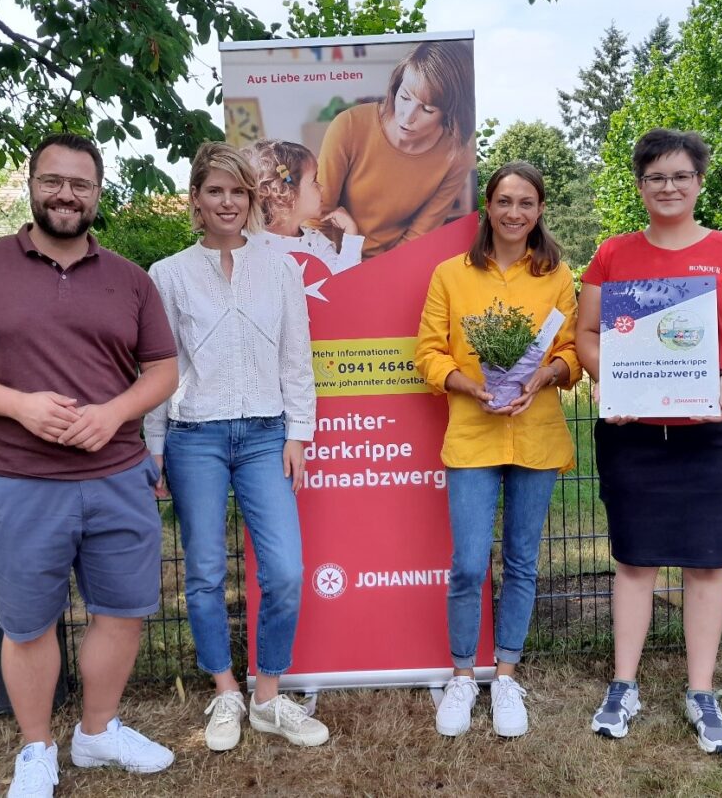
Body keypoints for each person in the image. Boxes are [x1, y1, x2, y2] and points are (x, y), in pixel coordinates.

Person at [0, 133, 180, 797]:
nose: (66, 194)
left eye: (81, 184)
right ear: (33, 184)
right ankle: (37, 749)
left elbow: (164, 370)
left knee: (121, 613)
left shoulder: (130, 279)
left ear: (98, 193)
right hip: (15, 480)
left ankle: (97, 732)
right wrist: (20, 406)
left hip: (118, 477)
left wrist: (115, 412)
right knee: (27, 624)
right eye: (53, 180)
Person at [576, 128, 722, 754]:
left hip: (718, 433)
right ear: (640, 186)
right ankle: (623, 684)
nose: (669, 187)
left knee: (706, 564)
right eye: (656, 177)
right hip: (634, 434)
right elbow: (588, 333)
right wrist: (606, 379)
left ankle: (701, 692)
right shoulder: (612, 255)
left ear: (698, 182)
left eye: (680, 176)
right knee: (635, 561)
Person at [144, 142, 328, 751]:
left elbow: (296, 357)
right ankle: (225, 690)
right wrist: (156, 444)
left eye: (238, 192)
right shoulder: (167, 274)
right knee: (202, 571)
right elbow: (159, 367)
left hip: (266, 435)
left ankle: (268, 697)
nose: (227, 202)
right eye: (215, 191)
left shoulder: (280, 269)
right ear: (196, 200)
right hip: (194, 435)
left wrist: (299, 432)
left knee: (284, 570)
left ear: (251, 200)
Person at [415, 161, 581, 738]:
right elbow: (429, 353)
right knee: (467, 564)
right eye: (505, 201)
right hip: (472, 433)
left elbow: (572, 352)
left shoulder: (556, 276)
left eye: (527, 203)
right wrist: (468, 385)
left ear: (539, 211)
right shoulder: (450, 275)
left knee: (521, 563)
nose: (515, 213)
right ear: (487, 206)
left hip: (536, 434)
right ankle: (463, 676)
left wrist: (545, 377)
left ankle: (506, 673)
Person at [317, 40, 476, 259]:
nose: (407, 117)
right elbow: (316, 217)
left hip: (395, 264)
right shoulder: (349, 126)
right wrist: (341, 267)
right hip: (334, 259)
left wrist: (382, 272)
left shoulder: (456, 156)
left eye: (427, 109)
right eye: (404, 97)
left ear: (450, 113)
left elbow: (419, 236)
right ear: (396, 86)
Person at [244, 138, 364, 273]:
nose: (322, 188)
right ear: (287, 192)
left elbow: (344, 284)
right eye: (314, 180)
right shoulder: (248, 242)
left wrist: (351, 234)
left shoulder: (316, 242)